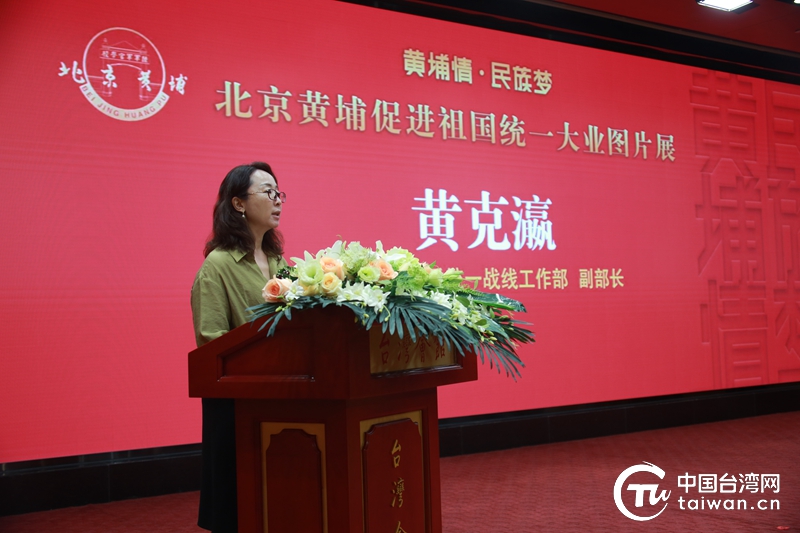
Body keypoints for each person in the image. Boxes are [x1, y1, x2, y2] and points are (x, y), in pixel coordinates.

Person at [190, 161, 287, 533]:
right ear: (238, 203)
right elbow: (211, 341)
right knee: (237, 507)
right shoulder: (217, 266)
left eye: (279, 193)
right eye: (268, 192)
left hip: (281, 396)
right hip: (236, 404)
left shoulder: (279, 262)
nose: (277, 200)